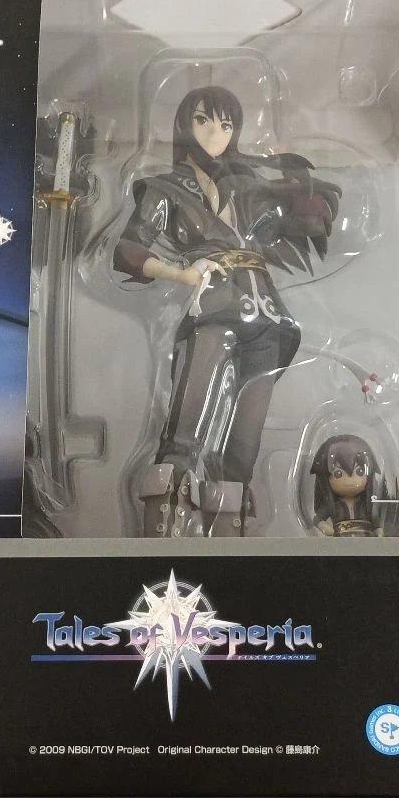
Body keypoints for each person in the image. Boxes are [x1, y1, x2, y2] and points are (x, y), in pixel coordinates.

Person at [113, 85, 340, 537]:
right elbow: (128, 250)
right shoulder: (165, 188)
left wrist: (296, 179)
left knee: (243, 447)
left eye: (226, 124)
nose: (215, 133)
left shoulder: (249, 186)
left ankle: (227, 541)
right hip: (213, 312)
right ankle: (159, 532)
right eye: (203, 120)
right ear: (185, 124)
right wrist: (180, 273)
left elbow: (312, 218)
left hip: (268, 321)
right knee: (185, 429)